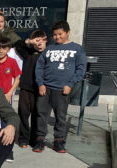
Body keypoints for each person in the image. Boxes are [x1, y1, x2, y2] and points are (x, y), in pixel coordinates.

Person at [34, 20, 87, 153]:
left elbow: (81, 69)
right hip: (46, 88)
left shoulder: (77, 49)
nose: (57, 37)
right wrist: (40, 83)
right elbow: (39, 67)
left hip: (62, 89)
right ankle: (40, 139)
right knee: (41, 115)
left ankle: (59, 141)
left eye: (60, 34)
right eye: (55, 35)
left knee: (60, 116)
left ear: (68, 32)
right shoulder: (49, 49)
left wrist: (70, 84)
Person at [13, 29, 48, 148]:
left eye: (41, 41)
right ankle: (23, 138)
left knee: (36, 115)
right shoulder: (29, 52)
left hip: (39, 89)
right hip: (25, 88)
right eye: (36, 42)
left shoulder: (49, 53)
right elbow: (17, 45)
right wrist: (30, 41)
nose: (39, 44)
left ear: (45, 40)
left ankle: (34, 139)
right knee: (23, 114)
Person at [0, 36, 21, 103]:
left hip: (6, 95)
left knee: (6, 113)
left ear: (8, 50)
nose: (1, 51)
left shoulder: (12, 62)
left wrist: (10, 93)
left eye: (4, 48)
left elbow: (17, 79)